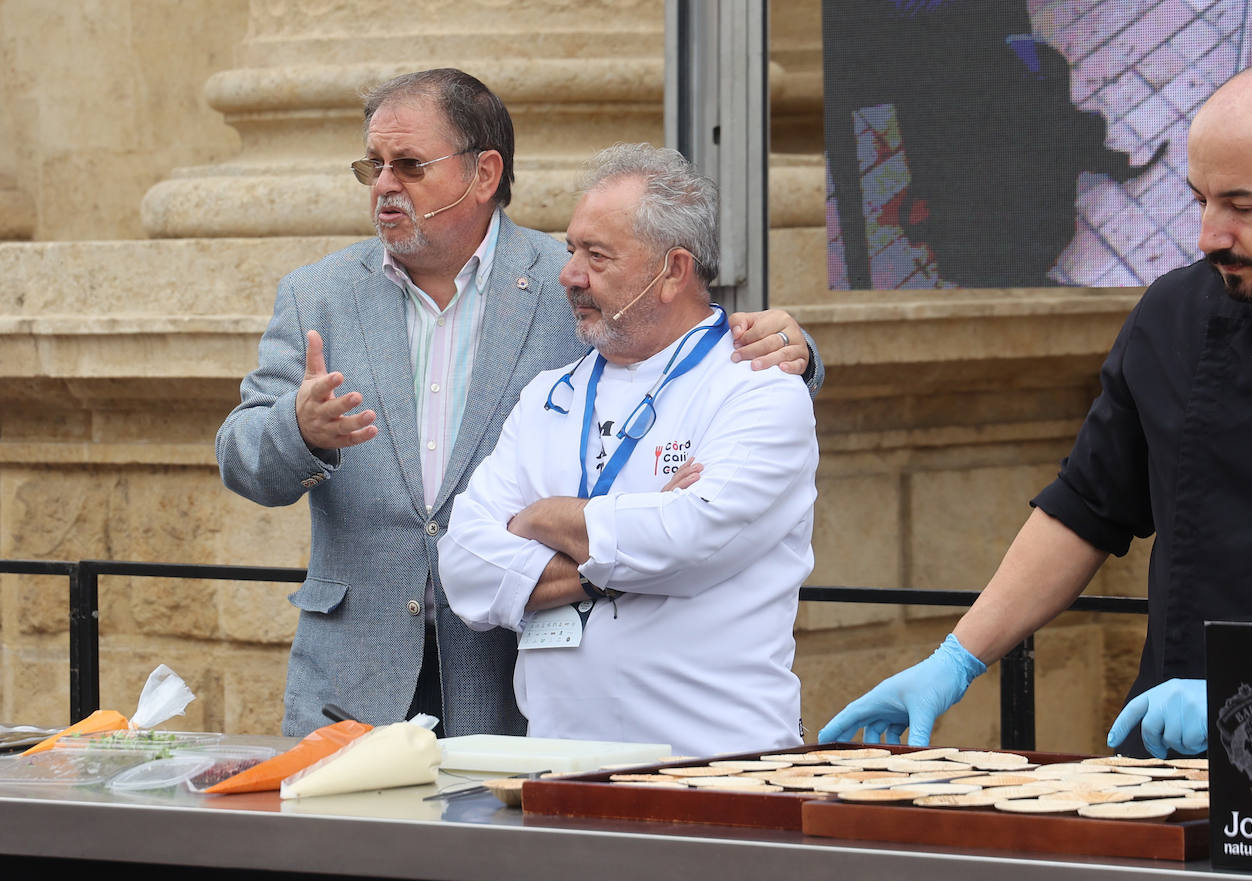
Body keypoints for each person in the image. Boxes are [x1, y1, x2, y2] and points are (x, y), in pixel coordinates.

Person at [216, 69, 823, 738]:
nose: (385, 185)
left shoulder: (570, 277)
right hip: (353, 681)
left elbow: (684, 338)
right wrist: (300, 431)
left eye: (410, 165)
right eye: (374, 166)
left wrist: (801, 354)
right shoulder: (319, 295)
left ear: (484, 174)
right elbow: (242, 458)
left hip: (505, 690)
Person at [820, 58, 1252, 758]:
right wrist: (957, 657)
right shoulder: (1172, 315)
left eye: (1241, 207)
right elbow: (1084, 508)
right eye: (1199, 199)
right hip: (1174, 752)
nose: (1209, 235)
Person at [437, 144, 818, 757]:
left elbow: (691, 534)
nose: (570, 275)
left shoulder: (758, 387)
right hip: (556, 763)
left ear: (673, 271)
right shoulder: (547, 396)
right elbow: (464, 570)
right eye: (570, 250)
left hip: (715, 762)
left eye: (597, 255)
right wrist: (622, 554)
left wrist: (544, 519)